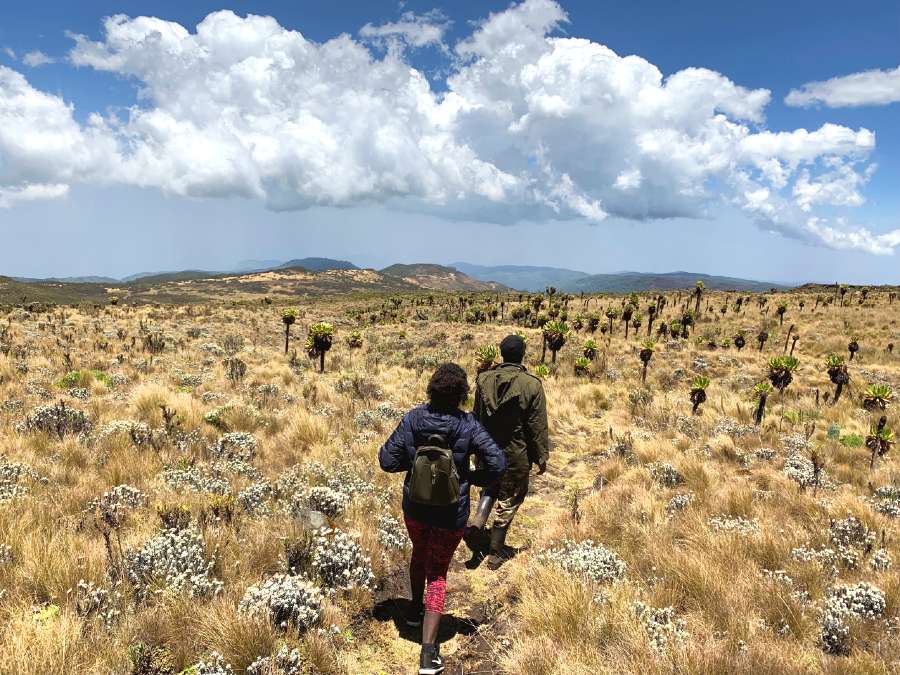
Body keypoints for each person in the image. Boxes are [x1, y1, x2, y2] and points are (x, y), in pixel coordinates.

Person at [379, 363, 506, 675]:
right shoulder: (468, 425)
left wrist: (414, 468)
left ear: (431, 390)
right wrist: (472, 478)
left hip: (416, 509)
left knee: (419, 553)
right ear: (462, 394)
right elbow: (498, 462)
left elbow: (386, 459)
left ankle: (412, 612)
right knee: (438, 573)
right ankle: (428, 654)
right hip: (452, 513)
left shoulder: (412, 419)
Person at [470, 333, 549, 570]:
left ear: (502, 353)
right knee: (511, 497)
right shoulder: (532, 385)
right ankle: (495, 552)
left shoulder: (483, 380)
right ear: (522, 354)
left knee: (490, 487)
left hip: (487, 448)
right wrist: (541, 456)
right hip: (516, 452)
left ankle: (477, 525)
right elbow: (537, 425)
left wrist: (475, 448)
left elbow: (476, 417)